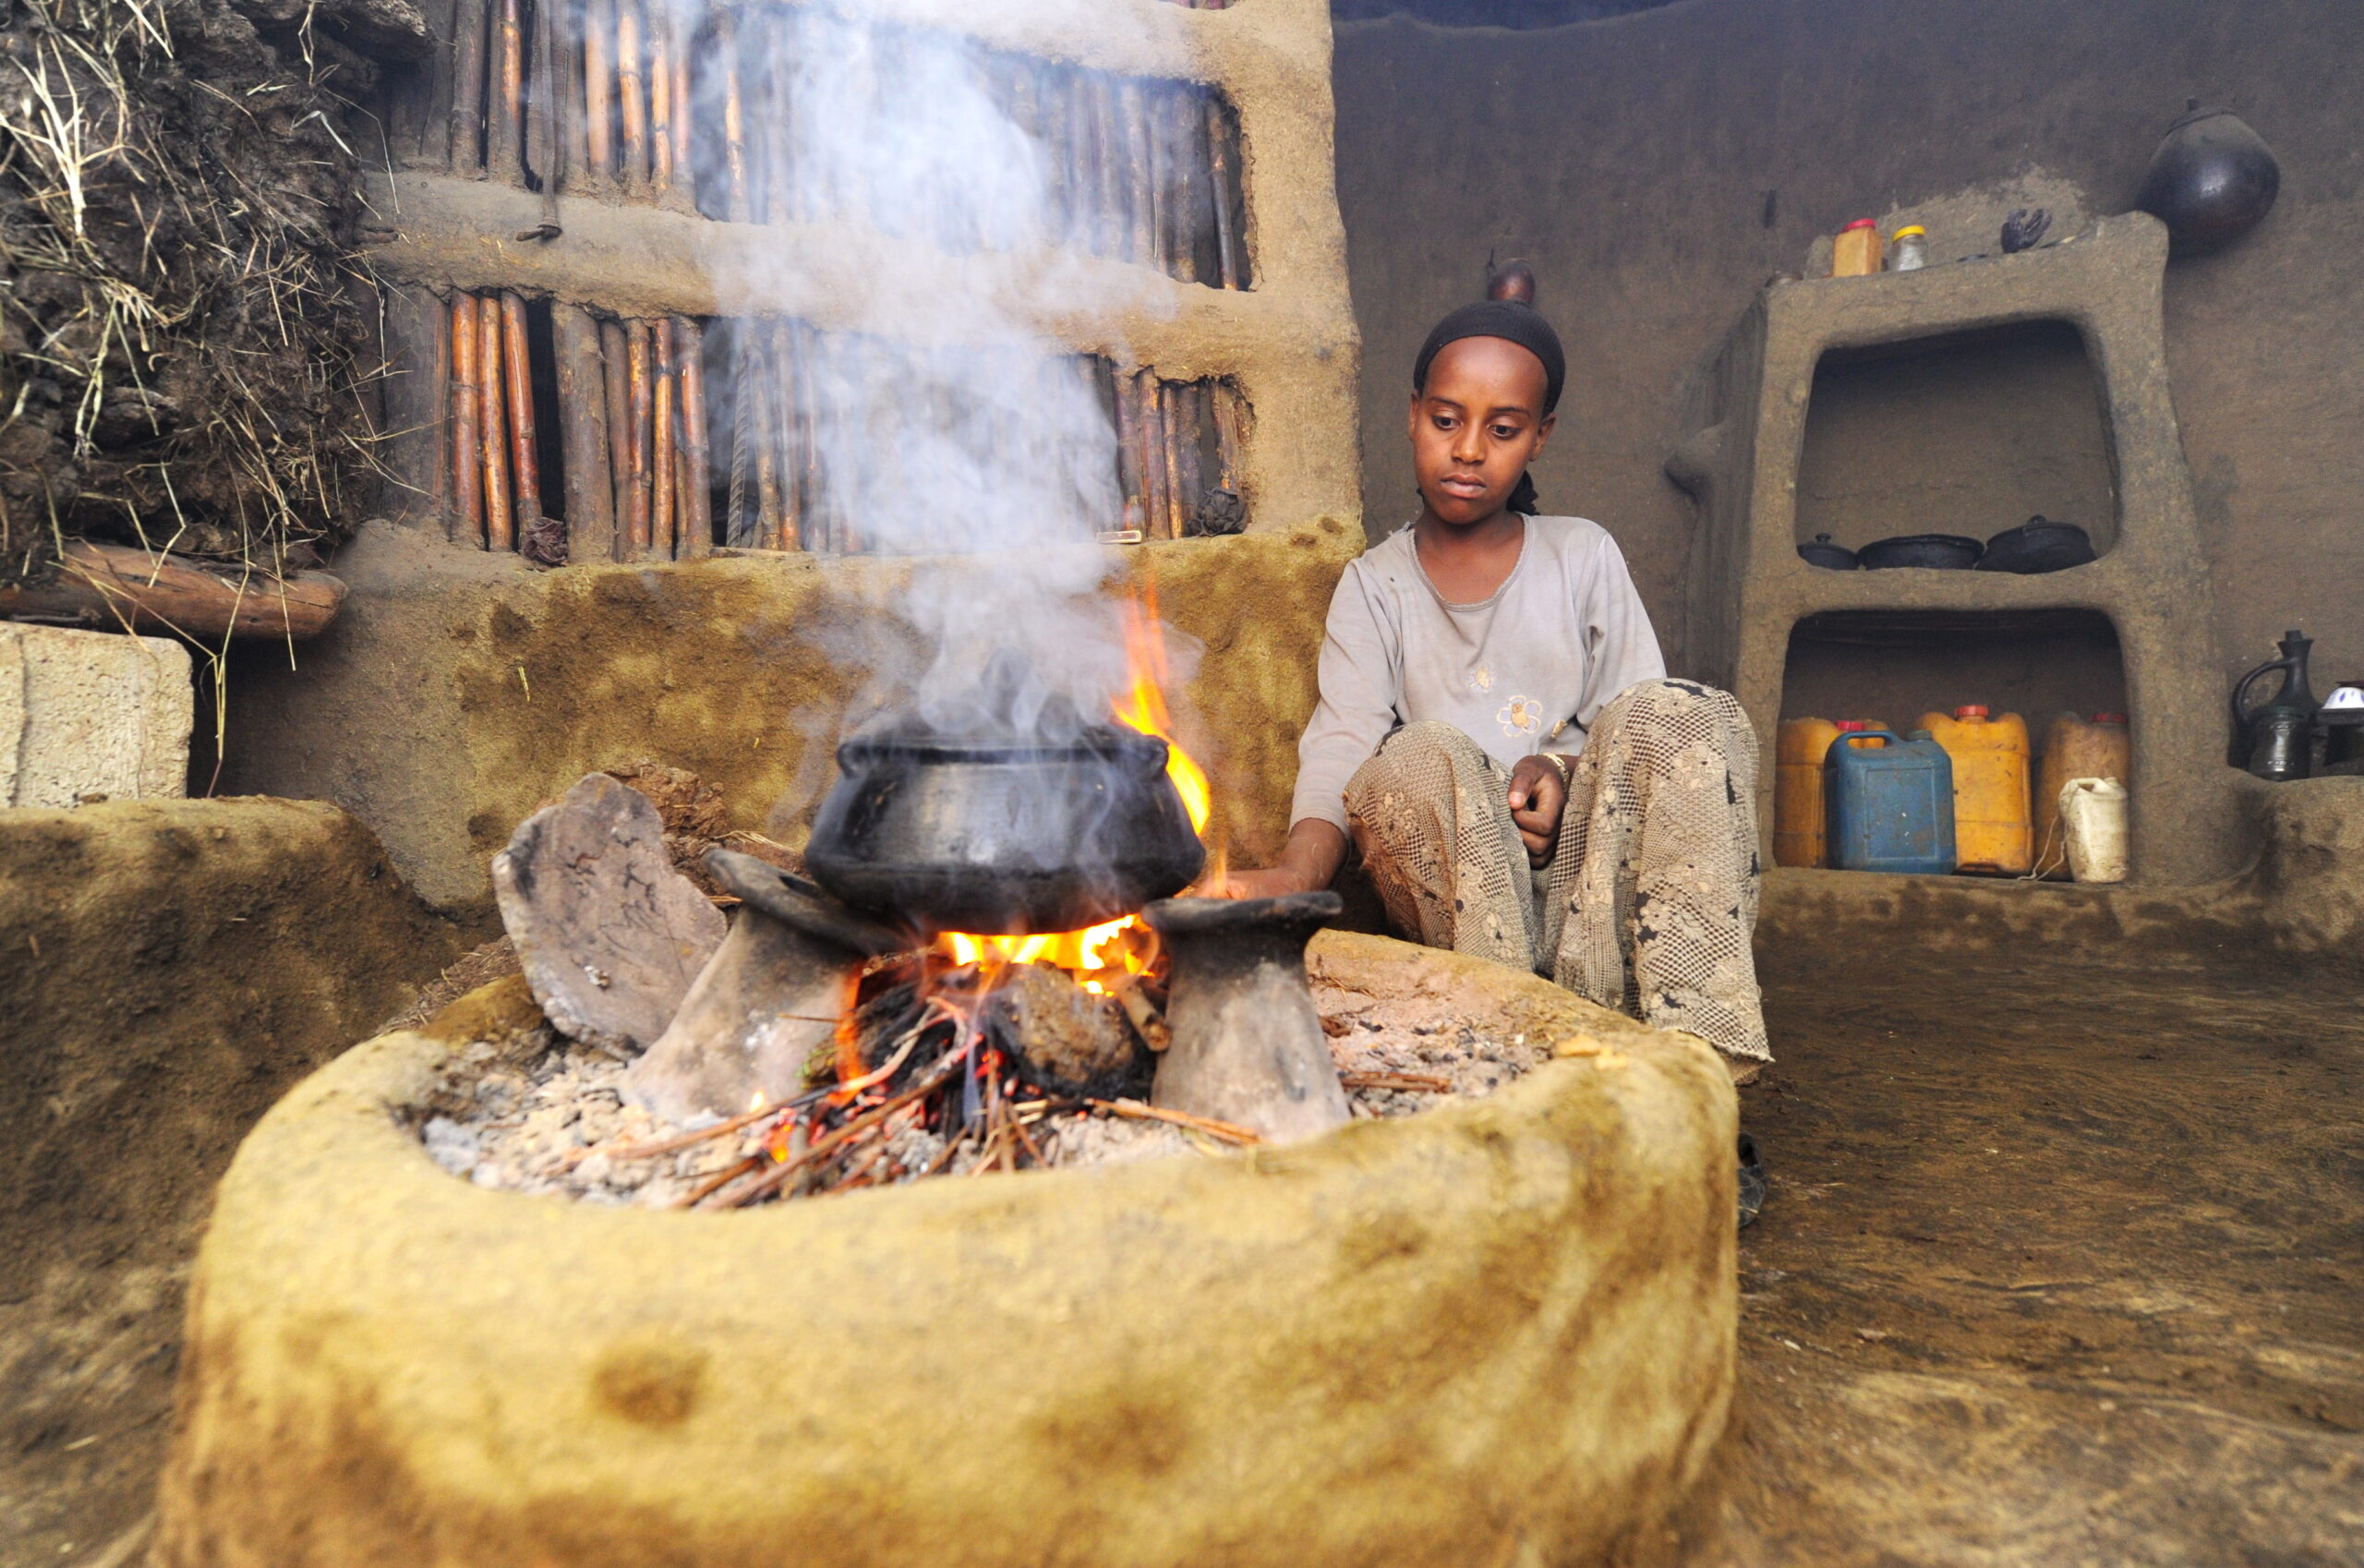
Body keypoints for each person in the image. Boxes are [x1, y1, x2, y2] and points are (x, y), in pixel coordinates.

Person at [1216, 271, 1770, 1082]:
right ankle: (1505, 1050)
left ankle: (1693, 1068)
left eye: (1502, 429)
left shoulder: (1581, 555)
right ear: (1413, 416)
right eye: (1446, 421)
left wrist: (1563, 772)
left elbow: (1638, 726)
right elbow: (1341, 744)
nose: (1469, 448)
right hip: (1464, 900)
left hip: (1595, 890)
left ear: (1539, 436)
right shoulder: (1377, 586)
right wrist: (1295, 875)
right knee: (1417, 755)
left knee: (1688, 711)